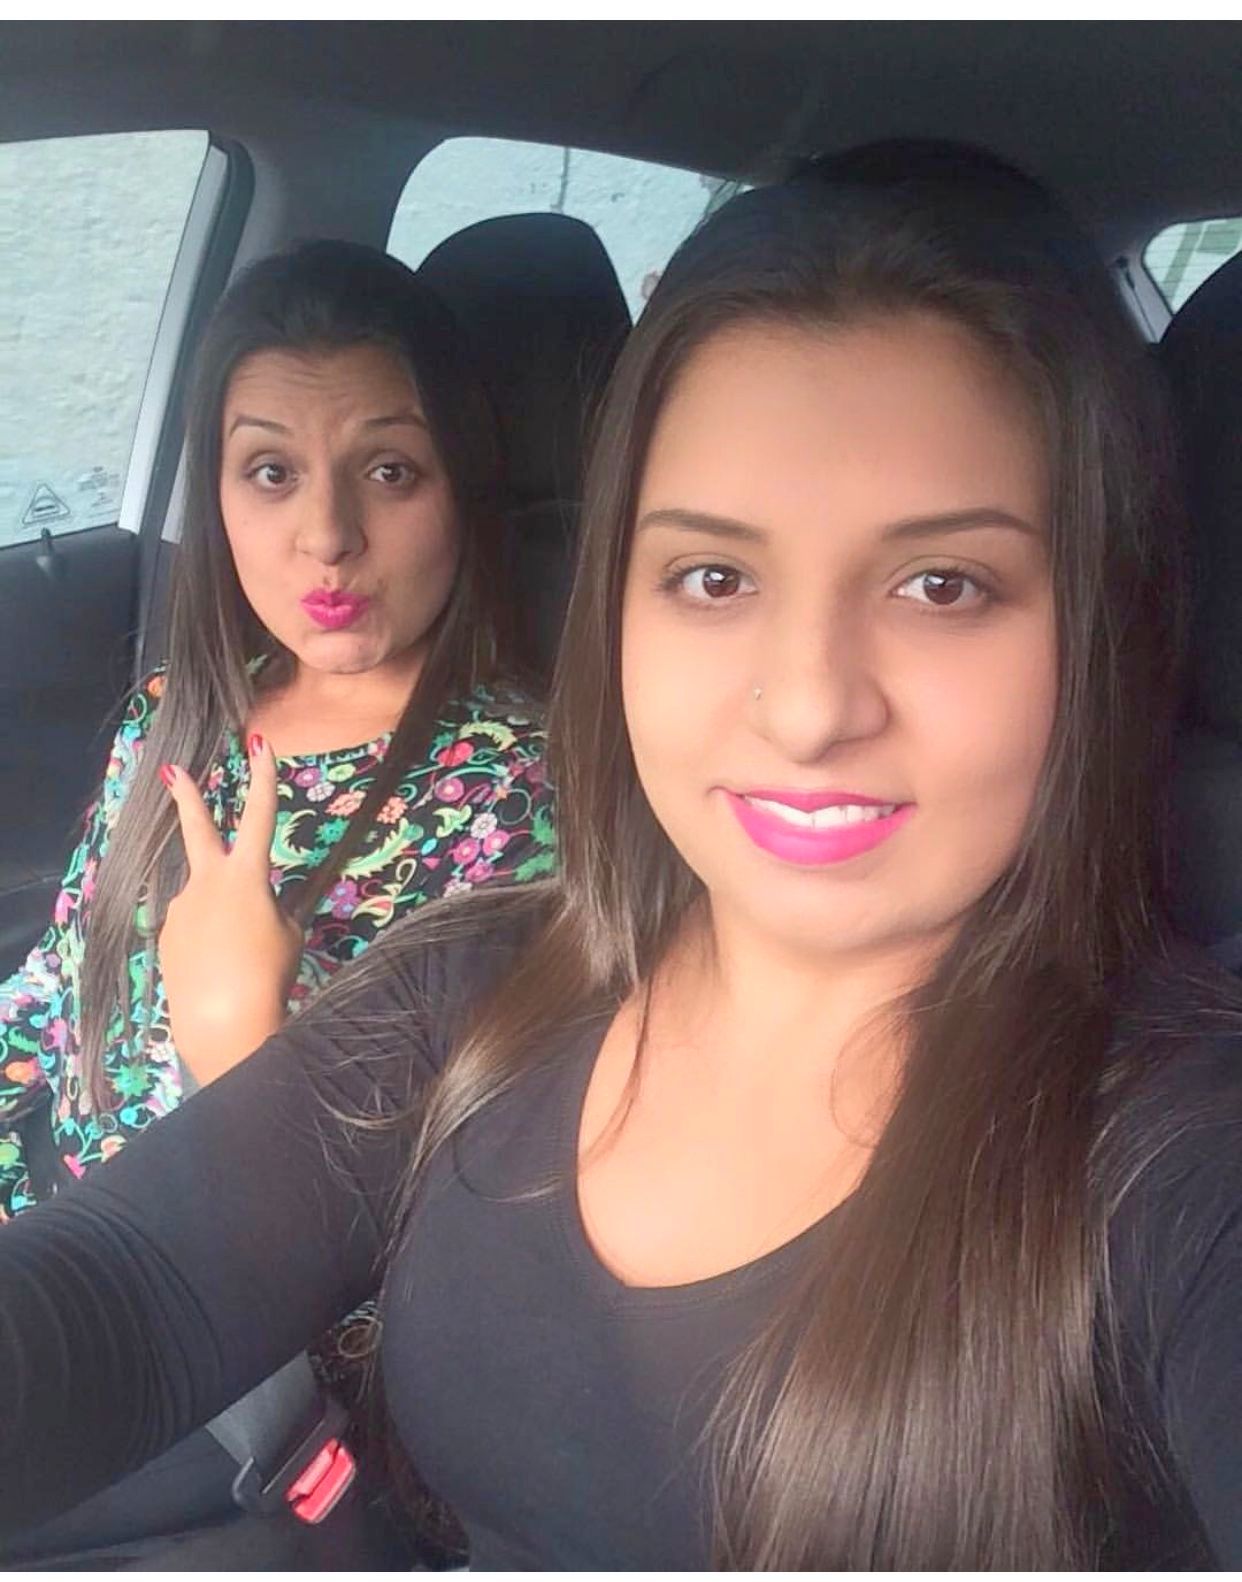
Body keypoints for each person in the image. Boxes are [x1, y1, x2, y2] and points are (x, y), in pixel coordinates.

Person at [3, 167, 1242, 1570]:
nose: (806, 706)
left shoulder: (1171, 1160)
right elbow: (131, 1285)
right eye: (714, 578)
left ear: (1095, 622)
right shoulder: (482, 981)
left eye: (940, 585)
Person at [0, 240, 554, 1566]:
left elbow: (450, 1268)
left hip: (234, 1383)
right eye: (270, 472)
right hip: (54, 1246)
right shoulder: (178, 715)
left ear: (462, 489)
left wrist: (239, 1041)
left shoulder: (523, 794)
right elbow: (48, 999)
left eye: (389, 471)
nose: (327, 535)